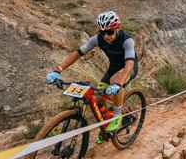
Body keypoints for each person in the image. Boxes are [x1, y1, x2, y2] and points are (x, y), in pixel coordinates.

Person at [45, 10, 138, 142]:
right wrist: (58, 70)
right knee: (99, 98)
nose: (106, 36)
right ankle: (105, 125)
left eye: (110, 32)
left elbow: (129, 65)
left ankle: (117, 115)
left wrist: (118, 84)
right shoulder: (97, 39)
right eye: (102, 32)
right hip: (113, 68)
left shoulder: (127, 41)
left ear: (117, 29)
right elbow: (77, 53)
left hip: (129, 68)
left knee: (114, 81)